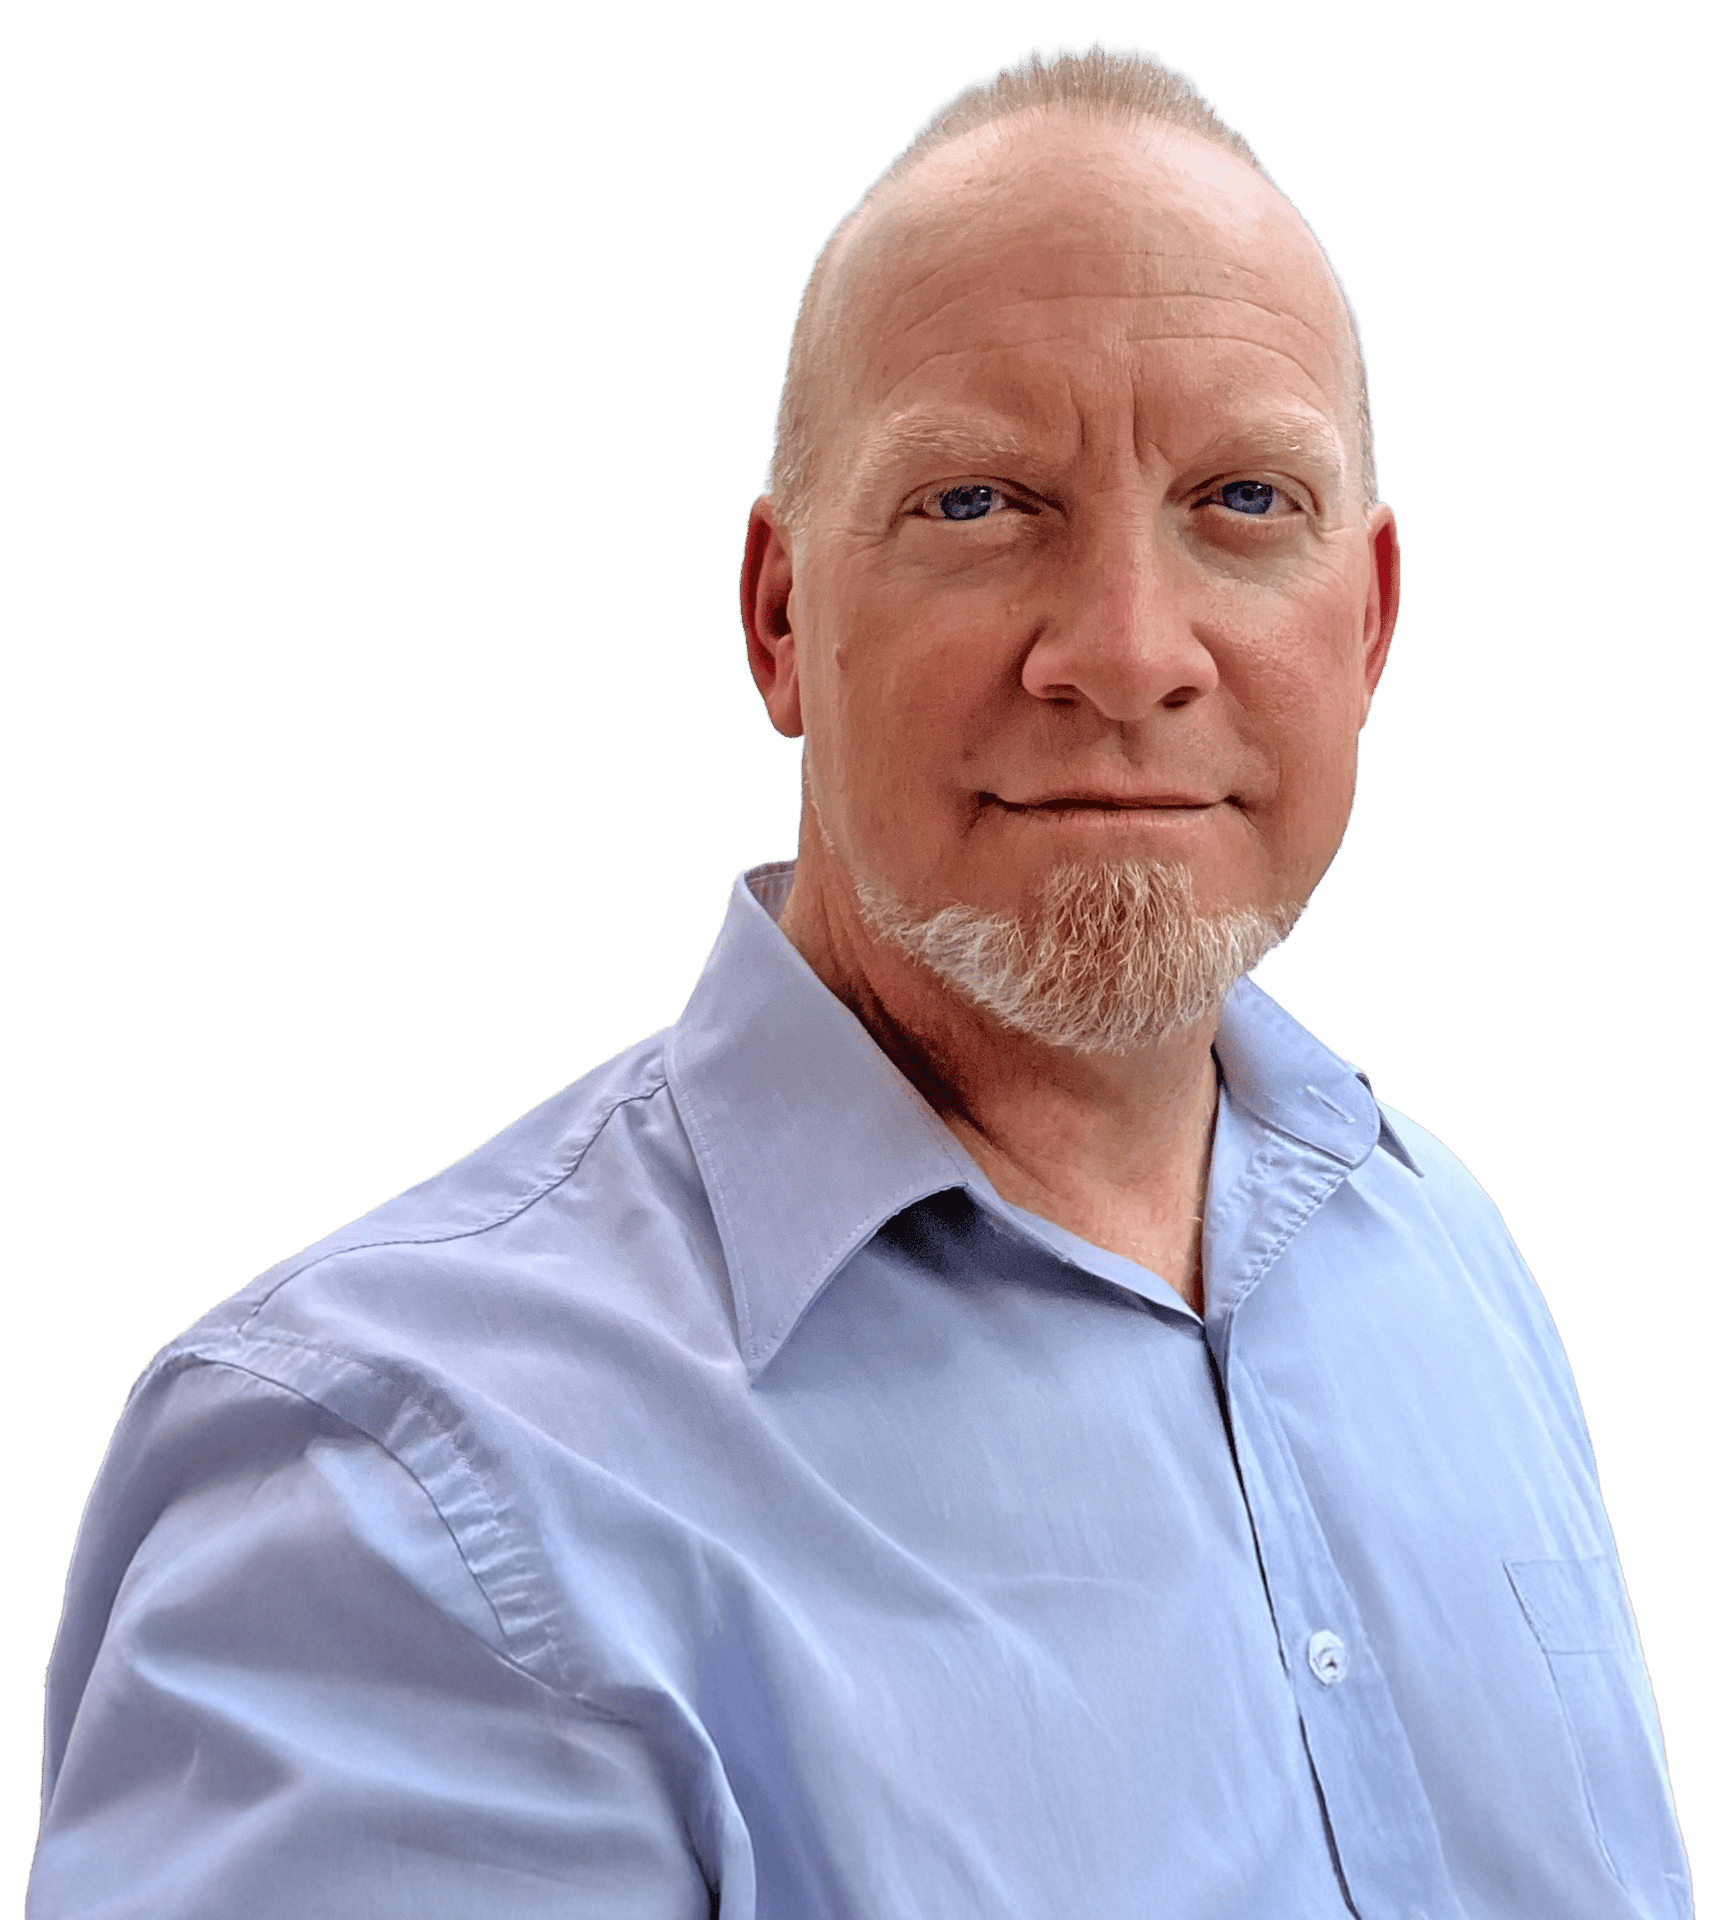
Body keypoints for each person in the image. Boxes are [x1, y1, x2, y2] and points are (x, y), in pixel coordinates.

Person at [29, 39, 1691, 1920]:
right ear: (780, 618)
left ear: (1369, 618)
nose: (1129, 653)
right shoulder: (395, 1500)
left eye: (1242, 503)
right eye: (980, 503)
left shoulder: (1441, 1257)